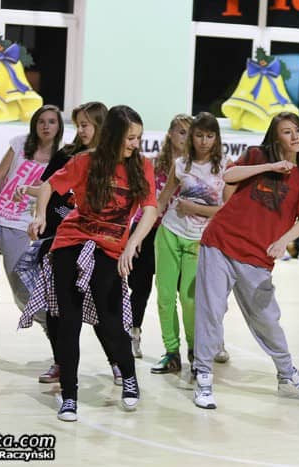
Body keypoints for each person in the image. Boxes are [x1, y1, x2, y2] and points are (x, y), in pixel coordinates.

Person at [23, 105, 157, 421]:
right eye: (130, 138)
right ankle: (69, 396)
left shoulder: (142, 166)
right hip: (71, 240)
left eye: (138, 138)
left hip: (110, 248)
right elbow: (48, 186)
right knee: (67, 321)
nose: (135, 144)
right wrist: (40, 215)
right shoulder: (85, 161)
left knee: (110, 322)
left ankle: (129, 375)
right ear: (113, 136)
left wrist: (131, 245)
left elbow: (150, 209)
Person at [191, 112, 299, 409]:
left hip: (257, 257)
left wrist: (284, 240)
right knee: (210, 311)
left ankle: (287, 376)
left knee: (267, 320)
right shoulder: (255, 155)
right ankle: (203, 376)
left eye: (298, 130)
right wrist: (270, 166)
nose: (295, 136)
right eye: (287, 131)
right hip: (220, 242)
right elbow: (229, 176)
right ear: (276, 136)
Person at [15, 102, 124, 385]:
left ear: (100, 125)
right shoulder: (66, 154)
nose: (81, 130)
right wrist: (38, 212)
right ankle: (61, 363)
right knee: (58, 307)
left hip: (96, 242)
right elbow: (47, 187)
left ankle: (117, 361)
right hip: (58, 238)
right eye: (78, 125)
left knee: (102, 305)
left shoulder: (112, 159)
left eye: (86, 125)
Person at [0, 104, 64, 357]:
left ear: (59, 126)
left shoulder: (60, 158)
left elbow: (50, 193)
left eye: (52, 121)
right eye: (41, 121)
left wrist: (39, 220)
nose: (46, 126)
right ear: (34, 124)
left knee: (22, 287)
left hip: (19, 227)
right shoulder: (20, 143)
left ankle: (51, 328)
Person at [151, 112, 230, 374]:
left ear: (217, 138)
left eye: (210, 136)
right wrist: (136, 235)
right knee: (164, 296)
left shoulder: (225, 167)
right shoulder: (181, 164)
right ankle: (171, 353)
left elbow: (227, 211)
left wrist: (194, 208)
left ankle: (196, 352)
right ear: (192, 137)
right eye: (199, 135)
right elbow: (162, 201)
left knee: (190, 299)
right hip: (170, 232)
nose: (204, 141)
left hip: (200, 240)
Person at [129, 113, 192, 359]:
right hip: (149, 229)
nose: (186, 137)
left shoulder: (195, 168)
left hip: (178, 232)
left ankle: (203, 340)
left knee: (184, 291)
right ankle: (133, 333)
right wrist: (135, 234)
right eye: (181, 132)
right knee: (140, 286)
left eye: (190, 133)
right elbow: (142, 199)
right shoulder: (153, 164)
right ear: (170, 134)